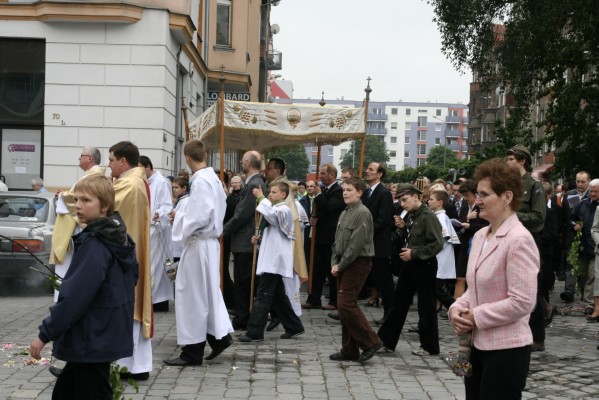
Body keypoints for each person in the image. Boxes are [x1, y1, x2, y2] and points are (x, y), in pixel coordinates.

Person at [29, 174, 138, 399]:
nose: (78, 206)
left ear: (105, 206)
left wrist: (45, 334)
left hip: (93, 336)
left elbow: (74, 297)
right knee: (65, 393)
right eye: (76, 199)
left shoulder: (96, 244)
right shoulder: (119, 235)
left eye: (86, 201)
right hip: (102, 333)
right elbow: (132, 276)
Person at [449, 158, 539, 400]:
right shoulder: (480, 235)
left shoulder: (519, 240)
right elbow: (476, 287)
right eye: (477, 194)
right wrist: (458, 307)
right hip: (477, 346)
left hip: (507, 350)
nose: (477, 201)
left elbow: (523, 301)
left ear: (507, 197)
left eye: (484, 194)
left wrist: (476, 316)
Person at [164, 140, 233, 366]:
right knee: (206, 294)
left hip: (200, 243)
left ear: (187, 157)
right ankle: (218, 337)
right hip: (208, 244)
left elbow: (199, 217)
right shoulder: (213, 178)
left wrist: (179, 219)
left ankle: (192, 351)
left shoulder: (202, 182)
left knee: (192, 295)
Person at [377, 183, 443, 356]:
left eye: (405, 200)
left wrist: (414, 253)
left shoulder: (428, 216)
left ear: (416, 197)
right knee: (398, 304)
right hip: (410, 264)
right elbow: (409, 238)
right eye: (400, 201)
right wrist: (402, 229)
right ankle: (386, 341)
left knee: (426, 306)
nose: (403, 204)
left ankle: (429, 346)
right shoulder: (411, 215)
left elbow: (437, 244)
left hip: (424, 265)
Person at [238, 181, 305, 342]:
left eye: (274, 192)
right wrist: (260, 239)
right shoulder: (276, 209)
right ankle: (294, 326)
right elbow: (273, 229)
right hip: (271, 258)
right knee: (277, 296)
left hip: (275, 260)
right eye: (270, 192)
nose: (270, 194)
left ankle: (254, 332)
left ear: (283, 194)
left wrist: (261, 198)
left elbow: (274, 218)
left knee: (263, 295)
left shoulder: (284, 209)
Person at [108, 141, 152, 380]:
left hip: (124, 255)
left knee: (127, 306)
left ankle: (127, 366)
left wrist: (72, 200)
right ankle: (135, 366)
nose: (109, 164)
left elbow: (103, 204)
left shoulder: (129, 183)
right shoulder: (136, 180)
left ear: (123, 160)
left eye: (111, 159)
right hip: (130, 252)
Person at [328, 178, 383, 363]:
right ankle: (349, 350)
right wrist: (334, 261)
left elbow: (356, 245)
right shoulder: (345, 212)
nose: (345, 193)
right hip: (344, 261)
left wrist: (340, 264)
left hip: (357, 262)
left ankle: (371, 342)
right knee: (344, 306)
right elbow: (337, 241)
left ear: (359, 192)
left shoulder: (362, 213)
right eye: (343, 189)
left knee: (346, 304)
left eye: (349, 190)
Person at [50, 146, 105, 303]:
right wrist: (63, 195)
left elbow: (76, 197)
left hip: (75, 229)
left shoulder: (92, 175)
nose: (79, 158)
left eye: (82, 155)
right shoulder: (90, 175)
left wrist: (62, 196)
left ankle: (64, 298)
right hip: (76, 227)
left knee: (68, 264)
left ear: (90, 159)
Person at [506, 145, 546, 352]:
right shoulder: (509, 185)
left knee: (532, 289)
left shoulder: (534, 185)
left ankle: (537, 337)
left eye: (511, 159)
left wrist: (512, 215)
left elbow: (539, 218)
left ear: (522, 161)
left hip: (529, 241)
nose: (508, 162)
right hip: (509, 241)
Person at [222, 151, 267, 330]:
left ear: (248, 163)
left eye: (243, 160)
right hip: (244, 240)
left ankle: (243, 317)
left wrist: (224, 230)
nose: (241, 162)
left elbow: (242, 214)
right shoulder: (253, 182)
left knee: (243, 282)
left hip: (245, 240)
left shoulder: (254, 183)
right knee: (243, 280)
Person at [302, 163, 345, 310]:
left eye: (323, 173)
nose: (320, 176)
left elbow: (329, 207)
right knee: (316, 268)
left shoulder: (338, 191)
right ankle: (314, 298)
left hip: (331, 236)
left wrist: (319, 195)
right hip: (320, 235)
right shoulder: (325, 190)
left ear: (332, 175)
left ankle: (334, 300)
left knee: (330, 269)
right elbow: (321, 210)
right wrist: (315, 217)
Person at [139, 155, 174, 312]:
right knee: (150, 266)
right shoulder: (145, 182)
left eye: (140, 169)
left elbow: (167, 205)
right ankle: (154, 300)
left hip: (157, 230)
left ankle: (155, 300)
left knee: (156, 267)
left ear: (148, 167)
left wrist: (158, 213)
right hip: (148, 230)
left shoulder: (161, 182)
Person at [362, 162, 395, 323]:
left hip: (379, 244)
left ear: (380, 174)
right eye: (367, 169)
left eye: (371, 170)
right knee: (373, 279)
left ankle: (390, 314)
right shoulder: (367, 192)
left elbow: (383, 219)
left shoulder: (384, 193)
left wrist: (365, 232)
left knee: (384, 282)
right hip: (369, 244)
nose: (367, 171)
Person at [428, 190, 460, 314]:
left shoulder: (440, 217)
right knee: (433, 292)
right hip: (438, 260)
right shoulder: (438, 216)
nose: (428, 201)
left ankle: (458, 310)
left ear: (439, 202)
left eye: (431, 199)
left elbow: (441, 238)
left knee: (437, 291)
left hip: (439, 260)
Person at [170, 177, 189, 263]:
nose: (174, 190)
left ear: (184, 188)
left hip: (182, 241)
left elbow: (189, 218)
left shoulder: (188, 201)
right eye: (173, 187)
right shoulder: (179, 200)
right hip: (175, 240)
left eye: (176, 187)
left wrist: (176, 215)